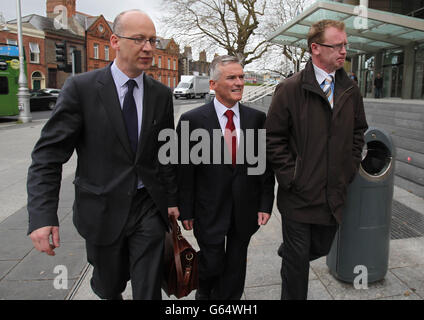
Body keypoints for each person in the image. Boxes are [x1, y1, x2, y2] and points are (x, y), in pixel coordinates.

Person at [27, 9, 179, 300]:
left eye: (152, 40)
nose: (148, 48)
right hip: (101, 211)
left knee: (149, 290)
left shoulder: (160, 94)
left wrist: (172, 199)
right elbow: (47, 156)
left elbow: (165, 152)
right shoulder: (80, 89)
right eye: (138, 39)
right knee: (109, 288)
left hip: (148, 208)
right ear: (114, 41)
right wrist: (42, 215)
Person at [265, 19, 368, 300]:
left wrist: (349, 167)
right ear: (316, 48)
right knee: (297, 269)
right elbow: (273, 138)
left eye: (345, 45)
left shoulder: (350, 89)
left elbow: (359, 131)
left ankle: (290, 251)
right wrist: (291, 175)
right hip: (299, 196)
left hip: (334, 192)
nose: (344, 51)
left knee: (321, 247)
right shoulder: (290, 89)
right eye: (337, 45)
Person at [177, 55, 275, 300]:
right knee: (211, 263)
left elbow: (262, 166)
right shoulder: (192, 120)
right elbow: (184, 171)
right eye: (231, 77)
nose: (239, 82)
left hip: (245, 209)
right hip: (208, 210)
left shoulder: (256, 119)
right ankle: (204, 294)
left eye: (241, 77)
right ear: (213, 84)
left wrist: (265, 203)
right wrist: (185, 210)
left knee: (235, 267)